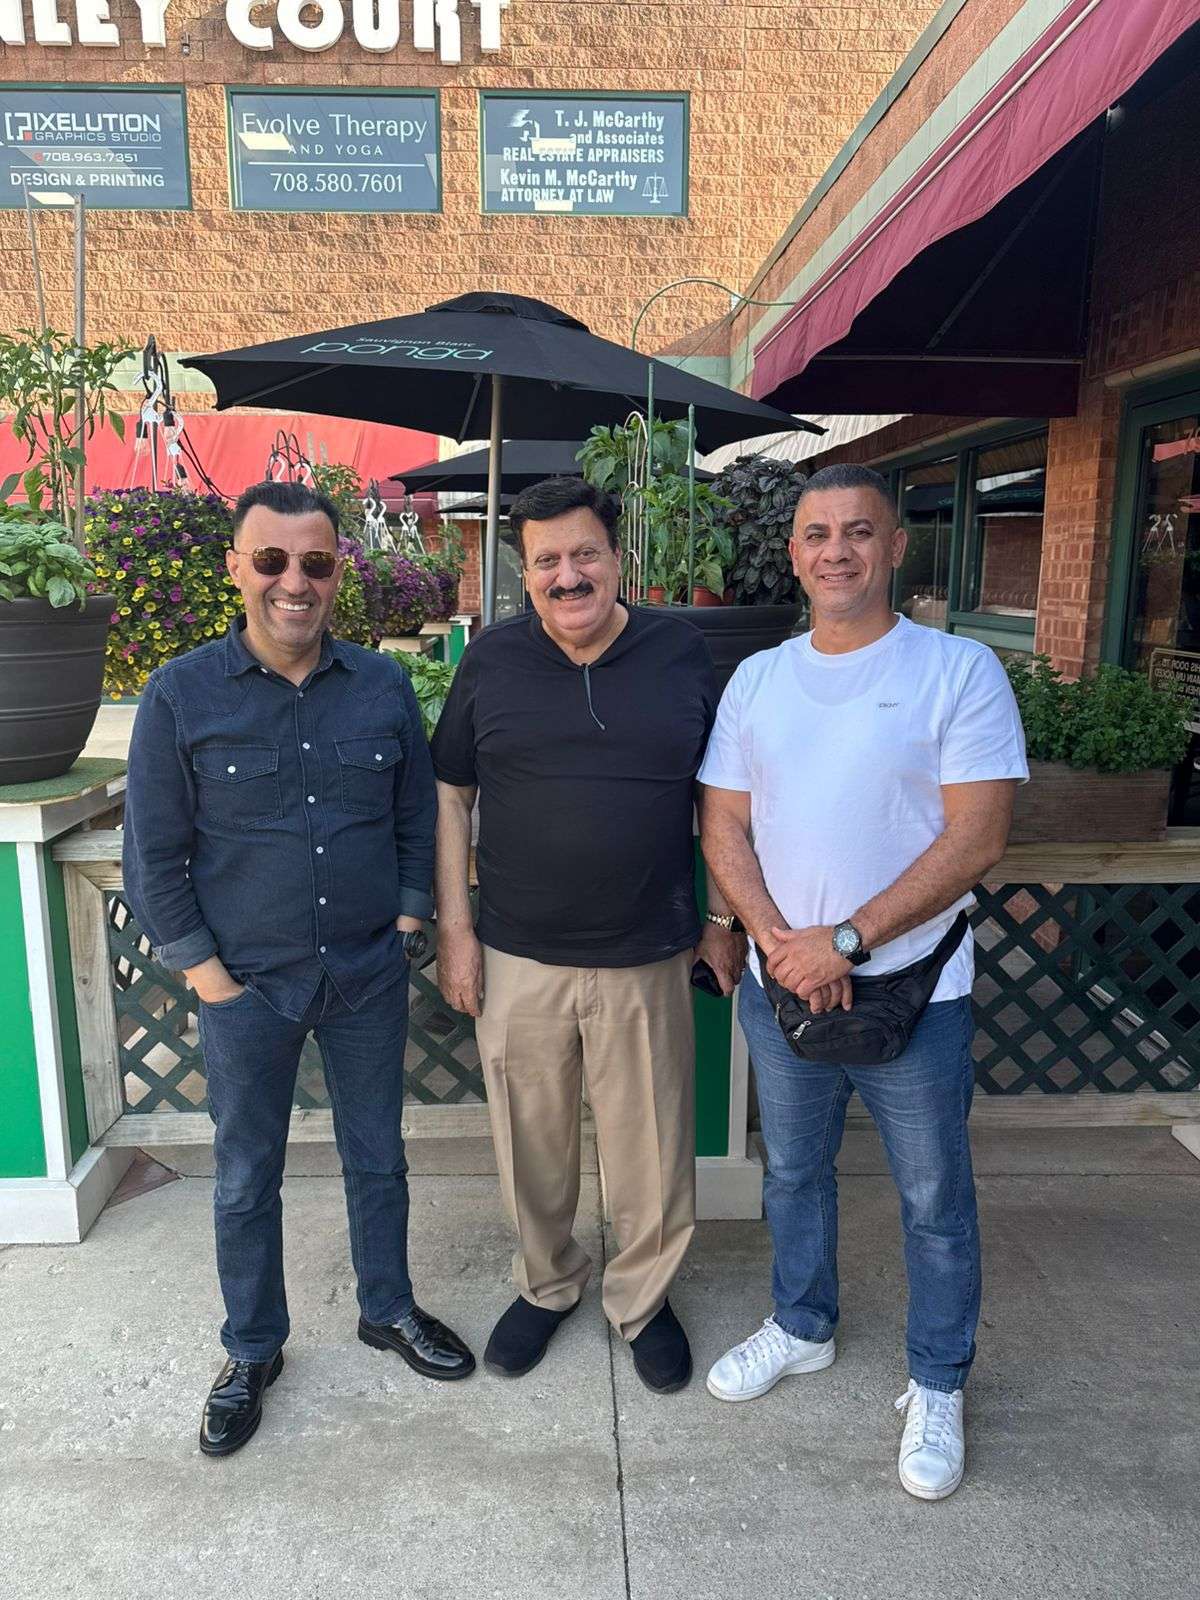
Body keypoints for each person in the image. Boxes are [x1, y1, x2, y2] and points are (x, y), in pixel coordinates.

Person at [122, 479, 474, 1459]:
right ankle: (251, 1348)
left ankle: (387, 1308)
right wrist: (209, 979)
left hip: (365, 973)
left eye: (315, 563)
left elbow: (415, 812)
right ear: (235, 568)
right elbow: (152, 858)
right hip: (247, 986)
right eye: (271, 560)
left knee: (379, 1157)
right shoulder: (180, 694)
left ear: (336, 572)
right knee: (245, 1177)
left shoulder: (381, 686)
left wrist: (410, 913)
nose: (294, 582)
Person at [698, 463, 1027, 1500]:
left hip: (915, 992)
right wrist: (778, 942)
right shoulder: (757, 679)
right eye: (816, 533)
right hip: (779, 987)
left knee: (934, 1198)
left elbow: (977, 835)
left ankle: (938, 1379)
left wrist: (844, 940)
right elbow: (722, 822)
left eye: (857, 531)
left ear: (895, 546)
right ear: (794, 555)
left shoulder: (958, 670)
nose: (835, 550)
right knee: (793, 1173)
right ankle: (803, 1324)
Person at [431, 476, 742, 1392]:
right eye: (546, 562)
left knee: (651, 1150)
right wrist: (456, 930)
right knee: (530, 1144)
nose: (567, 576)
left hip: (649, 951)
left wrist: (722, 918)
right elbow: (450, 794)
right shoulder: (492, 660)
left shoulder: (680, 653)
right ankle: (548, 1283)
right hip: (517, 953)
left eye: (584, 554)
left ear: (617, 557)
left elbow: (723, 799)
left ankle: (642, 1299)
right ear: (525, 572)